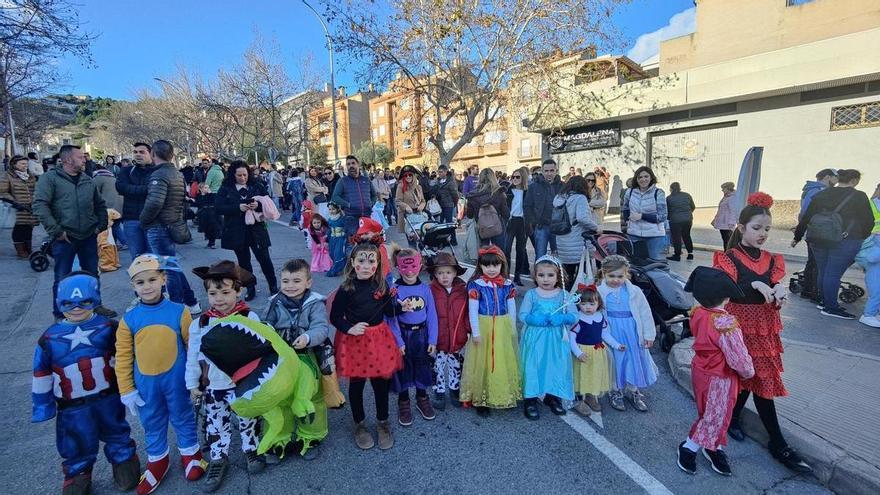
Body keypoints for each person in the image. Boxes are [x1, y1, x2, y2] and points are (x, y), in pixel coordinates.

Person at [715, 193, 812, 473]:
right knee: (748, 375)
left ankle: (736, 420)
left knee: (759, 377)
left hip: (765, 326)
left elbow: (773, 284)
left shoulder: (772, 259)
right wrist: (756, 286)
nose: (763, 234)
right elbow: (729, 289)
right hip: (740, 325)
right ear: (741, 227)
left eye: (767, 229)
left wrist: (779, 291)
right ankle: (777, 442)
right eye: (757, 228)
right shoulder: (728, 257)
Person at [31, 273, 140, 495]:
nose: (76, 308)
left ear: (96, 300)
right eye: (68, 303)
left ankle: (123, 459)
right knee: (75, 439)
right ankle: (78, 472)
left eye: (85, 302)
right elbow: (41, 373)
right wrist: (43, 405)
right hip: (73, 406)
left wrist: (136, 386)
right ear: (59, 303)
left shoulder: (110, 328)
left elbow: (128, 356)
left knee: (116, 429)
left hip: (108, 397)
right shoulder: (49, 339)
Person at [116, 255, 206, 494]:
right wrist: (126, 390)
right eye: (140, 282)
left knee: (183, 415)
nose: (147, 286)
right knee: (151, 422)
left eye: (152, 279)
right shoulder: (129, 319)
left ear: (163, 279)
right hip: (146, 384)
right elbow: (123, 356)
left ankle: (191, 454)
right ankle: (157, 460)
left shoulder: (180, 311)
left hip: (176, 381)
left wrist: (195, 378)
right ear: (133, 286)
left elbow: (192, 346)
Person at [185, 261, 265, 491]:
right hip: (214, 385)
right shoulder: (200, 322)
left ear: (238, 292)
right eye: (212, 293)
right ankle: (219, 458)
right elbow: (193, 356)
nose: (218, 298)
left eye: (225, 292)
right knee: (215, 423)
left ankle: (251, 449)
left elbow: (260, 353)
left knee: (248, 419)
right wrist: (192, 383)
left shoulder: (250, 318)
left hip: (243, 383)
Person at [677, 266, 755, 477]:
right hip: (720, 375)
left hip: (701, 370)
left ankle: (713, 445)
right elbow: (738, 356)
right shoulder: (724, 321)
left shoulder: (699, 312)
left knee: (709, 411)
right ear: (725, 297)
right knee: (717, 413)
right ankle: (690, 446)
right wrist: (748, 372)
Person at [330, 242, 403, 450]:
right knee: (357, 383)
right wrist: (349, 328)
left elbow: (389, 312)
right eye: (361, 260)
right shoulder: (346, 288)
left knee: (380, 383)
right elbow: (335, 316)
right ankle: (359, 424)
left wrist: (399, 305)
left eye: (371, 261)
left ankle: (382, 421)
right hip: (356, 341)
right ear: (353, 262)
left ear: (377, 263)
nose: (366, 265)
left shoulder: (381, 285)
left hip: (378, 339)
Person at [32, 145, 114, 319]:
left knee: (92, 274)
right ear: (68, 159)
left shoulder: (87, 180)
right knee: (62, 277)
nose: (85, 159)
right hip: (63, 238)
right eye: (80, 157)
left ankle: (95, 306)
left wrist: (101, 225)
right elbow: (40, 205)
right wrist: (56, 231)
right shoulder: (49, 179)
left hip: (88, 236)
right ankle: (60, 313)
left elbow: (99, 205)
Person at [263, 259, 331, 460]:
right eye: (285, 281)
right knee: (279, 397)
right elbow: (265, 323)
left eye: (296, 281)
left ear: (308, 283)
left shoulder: (315, 303)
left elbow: (321, 327)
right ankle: (278, 438)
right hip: (280, 357)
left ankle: (311, 436)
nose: (290, 286)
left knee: (310, 397)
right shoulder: (273, 302)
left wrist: (309, 337)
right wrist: (269, 332)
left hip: (306, 355)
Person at [793, 169, 873, 319]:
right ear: (854, 181)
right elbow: (868, 220)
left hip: (817, 238)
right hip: (846, 240)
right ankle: (831, 307)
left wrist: (797, 236)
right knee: (833, 273)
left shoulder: (822, 193)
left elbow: (806, 217)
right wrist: (862, 236)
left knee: (824, 271)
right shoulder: (859, 196)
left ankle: (824, 302)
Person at [140, 140, 200, 314]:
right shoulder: (177, 174)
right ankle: (190, 301)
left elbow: (154, 203)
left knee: (168, 270)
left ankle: (176, 308)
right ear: (172, 155)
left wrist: (143, 221)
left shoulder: (159, 175)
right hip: (171, 223)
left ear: (153, 154)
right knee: (172, 266)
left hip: (159, 226)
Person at [460, 246, 521, 417]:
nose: (492, 269)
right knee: (483, 363)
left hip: (502, 326)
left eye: (495, 265)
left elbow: (511, 308)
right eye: (487, 266)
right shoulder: (476, 285)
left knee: (501, 360)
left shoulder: (507, 285)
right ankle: (481, 398)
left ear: (502, 265)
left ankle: (501, 393)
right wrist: (476, 332)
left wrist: (511, 328)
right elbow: (472, 311)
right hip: (483, 326)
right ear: (481, 266)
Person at [518, 256, 578, 420]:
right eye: (541, 275)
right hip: (535, 338)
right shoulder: (532, 294)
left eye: (550, 275)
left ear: (558, 276)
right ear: (535, 276)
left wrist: (563, 319)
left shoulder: (564, 295)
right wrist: (533, 319)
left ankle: (553, 396)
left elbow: (574, 315)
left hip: (556, 339)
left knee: (555, 365)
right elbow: (522, 314)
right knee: (533, 365)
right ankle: (530, 399)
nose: (545, 279)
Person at [597, 255, 658, 412]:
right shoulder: (599, 292)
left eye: (620, 276)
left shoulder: (634, 291)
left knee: (633, 359)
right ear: (603, 274)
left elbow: (645, 312)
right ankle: (615, 390)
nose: (616, 280)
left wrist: (649, 335)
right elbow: (594, 313)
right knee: (615, 361)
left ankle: (633, 390)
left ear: (626, 274)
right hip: (612, 332)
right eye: (611, 276)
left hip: (632, 332)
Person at [215, 160, 278, 301]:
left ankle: (273, 286)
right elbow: (218, 207)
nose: (243, 178)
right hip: (237, 231)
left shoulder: (257, 185)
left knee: (265, 260)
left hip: (257, 230)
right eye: (239, 175)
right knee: (244, 262)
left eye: (245, 175)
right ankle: (250, 287)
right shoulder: (226, 188)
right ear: (233, 175)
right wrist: (237, 207)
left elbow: (268, 204)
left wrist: (258, 205)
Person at [389, 248, 438, 426]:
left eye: (413, 267)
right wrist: (398, 341)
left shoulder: (425, 289)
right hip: (403, 334)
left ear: (420, 266)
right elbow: (391, 319)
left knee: (421, 365)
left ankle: (422, 397)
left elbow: (431, 314)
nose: (409, 271)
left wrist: (433, 338)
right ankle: (403, 401)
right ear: (397, 267)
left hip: (421, 335)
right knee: (402, 368)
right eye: (405, 267)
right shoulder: (394, 289)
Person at [428, 252, 470, 411]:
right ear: (435, 275)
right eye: (440, 273)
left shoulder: (462, 290)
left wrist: (468, 329)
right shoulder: (431, 290)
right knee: (438, 366)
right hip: (439, 338)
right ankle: (439, 391)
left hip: (456, 337)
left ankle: (454, 389)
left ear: (455, 273)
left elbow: (466, 312)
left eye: (448, 272)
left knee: (455, 366)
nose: (444, 276)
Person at [569, 283, 612, 418]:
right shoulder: (577, 319)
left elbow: (605, 334)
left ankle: (590, 395)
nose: (588, 307)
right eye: (584, 304)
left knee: (593, 373)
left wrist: (617, 345)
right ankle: (577, 398)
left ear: (598, 303)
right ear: (578, 304)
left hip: (597, 351)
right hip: (582, 351)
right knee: (579, 374)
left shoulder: (600, 317)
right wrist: (578, 353)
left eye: (592, 304)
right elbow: (572, 338)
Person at [796, 169, 839, 302]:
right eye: (836, 178)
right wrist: (802, 229)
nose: (837, 181)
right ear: (827, 177)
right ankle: (809, 290)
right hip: (816, 231)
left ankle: (810, 289)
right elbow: (806, 212)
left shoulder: (814, 189)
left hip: (815, 230)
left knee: (814, 262)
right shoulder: (817, 190)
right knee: (814, 262)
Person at [553, 176, 598, 290]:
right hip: (577, 241)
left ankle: (566, 296)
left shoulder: (559, 198)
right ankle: (579, 298)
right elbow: (582, 218)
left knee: (567, 274)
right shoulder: (580, 198)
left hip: (562, 240)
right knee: (582, 274)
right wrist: (596, 228)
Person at [116, 142, 157, 260]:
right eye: (135, 152)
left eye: (142, 152)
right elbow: (121, 188)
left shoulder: (157, 171)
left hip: (153, 220)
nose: (138, 155)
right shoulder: (126, 171)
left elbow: (156, 190)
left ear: (151, 154)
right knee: (138, 259)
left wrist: (132, 190)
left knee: (155, 258)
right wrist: (146, 188)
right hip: (131, 219)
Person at [621, 166, 667, 260]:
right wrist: (627, 221)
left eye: (646, 176)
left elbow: (662, 217)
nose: (643, 179)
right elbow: (625, 208)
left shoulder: (658, 193)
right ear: (636, 179)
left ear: (651, 178)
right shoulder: (629, 192)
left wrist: (642, 216)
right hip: (634, 234)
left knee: (654, 265)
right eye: (640, 177)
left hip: (654, 236)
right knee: (635, 264)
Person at [331, 156, 376, 250]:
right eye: (348, 164)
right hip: (351, 219)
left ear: (358, 164)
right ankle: (351, 264)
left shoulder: (366, 180)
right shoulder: (343, 181)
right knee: (352, 246)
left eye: (353, 163)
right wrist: (348, 205)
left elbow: (374, 195)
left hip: (367, 218)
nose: (351, 166)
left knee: (367, 245)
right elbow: (335, 197)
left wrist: (371, 204)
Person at [1, 155, 39, 258]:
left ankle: (28, 248)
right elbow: (3, 192)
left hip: (30, 207)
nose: (25, 166)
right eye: (22, 164)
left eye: (26, 164)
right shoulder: (7, 176)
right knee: (19, 228)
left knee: (29, 228)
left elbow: (36, 190)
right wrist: (14, 202)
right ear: (14, 164)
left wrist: (35, 200)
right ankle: (20, 250)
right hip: (16, 208)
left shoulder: (30, 176)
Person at [524, 159, 563, 259]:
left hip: (558, 228)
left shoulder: (563, 186)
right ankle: (539, 274)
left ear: (556, 171)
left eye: (551, 170)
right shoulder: (533, 187)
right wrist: (534, 221)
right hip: (541, 226)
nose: (549, 173)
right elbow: (527, 206)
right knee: (540, 256)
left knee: (559, 256)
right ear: (542, 171)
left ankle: (560, 275)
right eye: (546, 171)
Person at [465, 168, 510, 247]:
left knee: (483, 253)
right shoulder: (499, 193)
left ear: (480, 178)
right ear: (493, 178)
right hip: (497, 225)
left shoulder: (473, 195)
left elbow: (469, 215)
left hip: (481, 227)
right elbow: (506, 213)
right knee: (500, 253)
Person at [857, 183, 880, 328]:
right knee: (876, 287)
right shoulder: (873, 205)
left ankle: (872, 313)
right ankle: (869, 314)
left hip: (870, 248)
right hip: (872, 249)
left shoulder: (871, 203)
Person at [505, 166, 529, 285]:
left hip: (522, 222)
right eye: (513, 176)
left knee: (520, 250)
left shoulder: (527, 192)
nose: (514, 179)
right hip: (511, 221)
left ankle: (517, 276)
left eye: (517, 177)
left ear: (522, 178)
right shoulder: (508, 191)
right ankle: (507, 275)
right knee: (507, 249)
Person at [666, 182, 696, 261]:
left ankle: (677, 255)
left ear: (671, 189)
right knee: (687, 236)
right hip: (688, 220)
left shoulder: (669, 198)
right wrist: (687, 213)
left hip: (675, 220)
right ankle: (690, 254)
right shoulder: (687, 195)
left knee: (677, 238)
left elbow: (667, 210)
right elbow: (693, 206)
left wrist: (669, 218)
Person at [395, 165, 426, 241]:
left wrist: (422, 205)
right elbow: (398, 201)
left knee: (422, 238)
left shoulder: (418, 187)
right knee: (412, 239)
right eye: (406, 175)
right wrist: (406, 206)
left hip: (418, 215)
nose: (408, 177)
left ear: (413, 176)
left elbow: (423, 200)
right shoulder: (401, 186)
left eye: (410, 175)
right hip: (407, 216)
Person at [712, 182, 738, 248]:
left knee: (728, 241)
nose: (722, 190)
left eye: (723, 188)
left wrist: (732, 222)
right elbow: (721, 210)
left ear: (728, 188)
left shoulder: (732, 198)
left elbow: (733, 211)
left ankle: (728, 255)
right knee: (725, 240)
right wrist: (715, 219)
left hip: (727, 224)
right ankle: (727, 254)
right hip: (723, 223)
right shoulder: (726, 197)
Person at [325, 203, 347, 277]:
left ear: (338, 209)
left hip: (340, 239)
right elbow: (328, 230)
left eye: (333, 209)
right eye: (330, 209)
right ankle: (340, 268)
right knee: (332, 254)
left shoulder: (342, 219)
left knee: (338, 254)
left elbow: (347, 228)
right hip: (332, 239)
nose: (331, 211)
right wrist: (326, 240)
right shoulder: (330, 219)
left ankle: (335, 270)